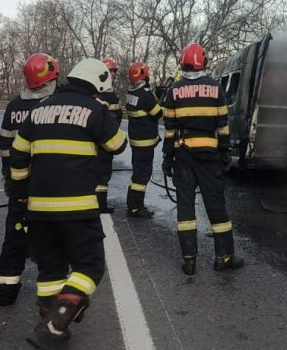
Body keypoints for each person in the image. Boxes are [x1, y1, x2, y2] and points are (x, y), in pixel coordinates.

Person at [9, 58, 126, 350]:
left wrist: (21, 193)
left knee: (51, 270)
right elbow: (118, 144)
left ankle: (52, 323)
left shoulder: (38, 109)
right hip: (78, 208)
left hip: (38, 209)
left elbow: (18, 154)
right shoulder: (95, 110)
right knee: (90, 266)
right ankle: (55, 323)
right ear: (98, 83)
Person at [161, 43, 244, 275]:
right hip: (209, 156)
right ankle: (224, 257)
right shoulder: (216, 88)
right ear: (204, 62)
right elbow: (223, 125)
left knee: (186, 209)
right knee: (216, 207)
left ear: (182, 62)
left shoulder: (174, 90)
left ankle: (189, 260)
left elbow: (169, 129)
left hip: (183, 154)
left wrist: (167, 156)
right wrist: (225, 151)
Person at [0, 53, 60, 307]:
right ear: (52, 76)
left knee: (14, 236)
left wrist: (10, 181)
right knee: (51, 240)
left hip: (18, 185)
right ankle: (53, 302)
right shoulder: (54, 105)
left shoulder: (13, 106)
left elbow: (4, 146)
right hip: (48, 186)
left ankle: (5, 291)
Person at [123, 61, 162, 218]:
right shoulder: (146, 95)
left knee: (137, 173)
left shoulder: (131, 94)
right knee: (142, 175)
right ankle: (136, 207)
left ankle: (132, 204)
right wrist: (161, 99)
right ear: (145, 76)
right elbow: (158, 114)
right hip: (145, 143)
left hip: (136, 141)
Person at [95, 58, 123, 214]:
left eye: (114, 71)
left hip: (106, 138)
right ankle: (100, 205)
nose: (113, 74)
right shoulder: (104, 92)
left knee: (102, 173)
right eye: (110, 71)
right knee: (102, 174)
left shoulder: (107, 90)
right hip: (104, 140)